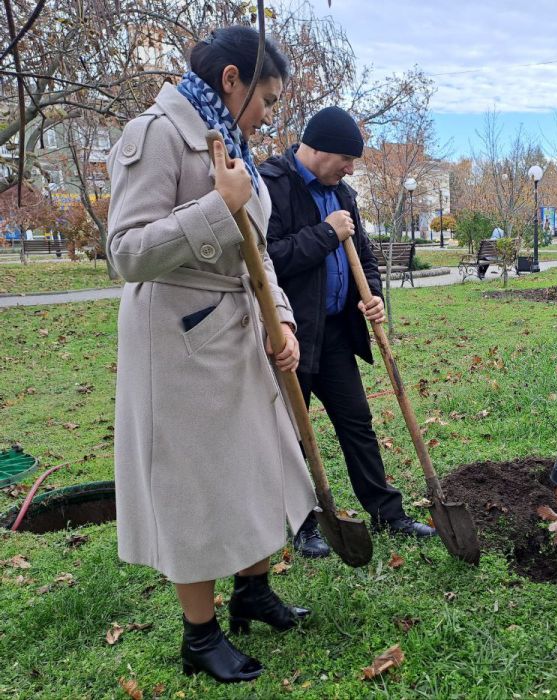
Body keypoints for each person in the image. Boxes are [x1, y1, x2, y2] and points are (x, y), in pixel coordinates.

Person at [106, 27, 316, 683]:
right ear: (231, 80)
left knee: (256, 467)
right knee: (193, 484)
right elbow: (126, 253)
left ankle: (253, 591)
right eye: (267, 99)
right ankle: (200, 636)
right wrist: (215, 206)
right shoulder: (156, 135)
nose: (269, 114)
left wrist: (282, 318)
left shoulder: (235, 144)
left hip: (240, 330)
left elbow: (256, 249)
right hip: (179, 341)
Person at [258, 107, 435, 558]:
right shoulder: (272, 185)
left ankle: (387, 513)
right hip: (291, 335)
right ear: (319, 150)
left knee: (357, 421)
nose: (351, 169)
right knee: (294, 433)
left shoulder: (342, 194)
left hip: (336, 331)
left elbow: (364, 256)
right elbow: (266, 260)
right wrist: (325, 233)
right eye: (346, 159)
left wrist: (370, 294)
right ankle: (303, 524)